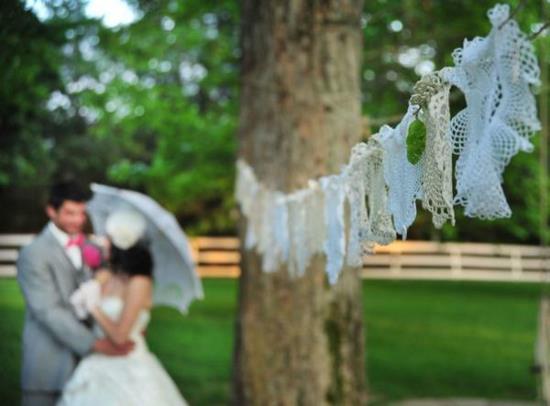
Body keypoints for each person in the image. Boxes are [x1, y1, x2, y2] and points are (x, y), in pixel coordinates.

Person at [16, 181, 134, 406]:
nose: (78, 220)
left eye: (81, 213)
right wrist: (96, 345)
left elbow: (111, 291)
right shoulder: (33, 254)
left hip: (92, 370)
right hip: (49, 365)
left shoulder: (94, 247)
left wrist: (127, 324)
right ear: (51, 211)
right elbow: (47, 310)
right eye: (70, 213)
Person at [58, 210, 188, 406]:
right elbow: (77, 306)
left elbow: (120, 337)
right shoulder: (107, 275)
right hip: (96, 362)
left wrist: (94, 307)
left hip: (128, 362)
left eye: (108, 238)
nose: (103, 243)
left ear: (121, 244)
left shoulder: (140, 282)